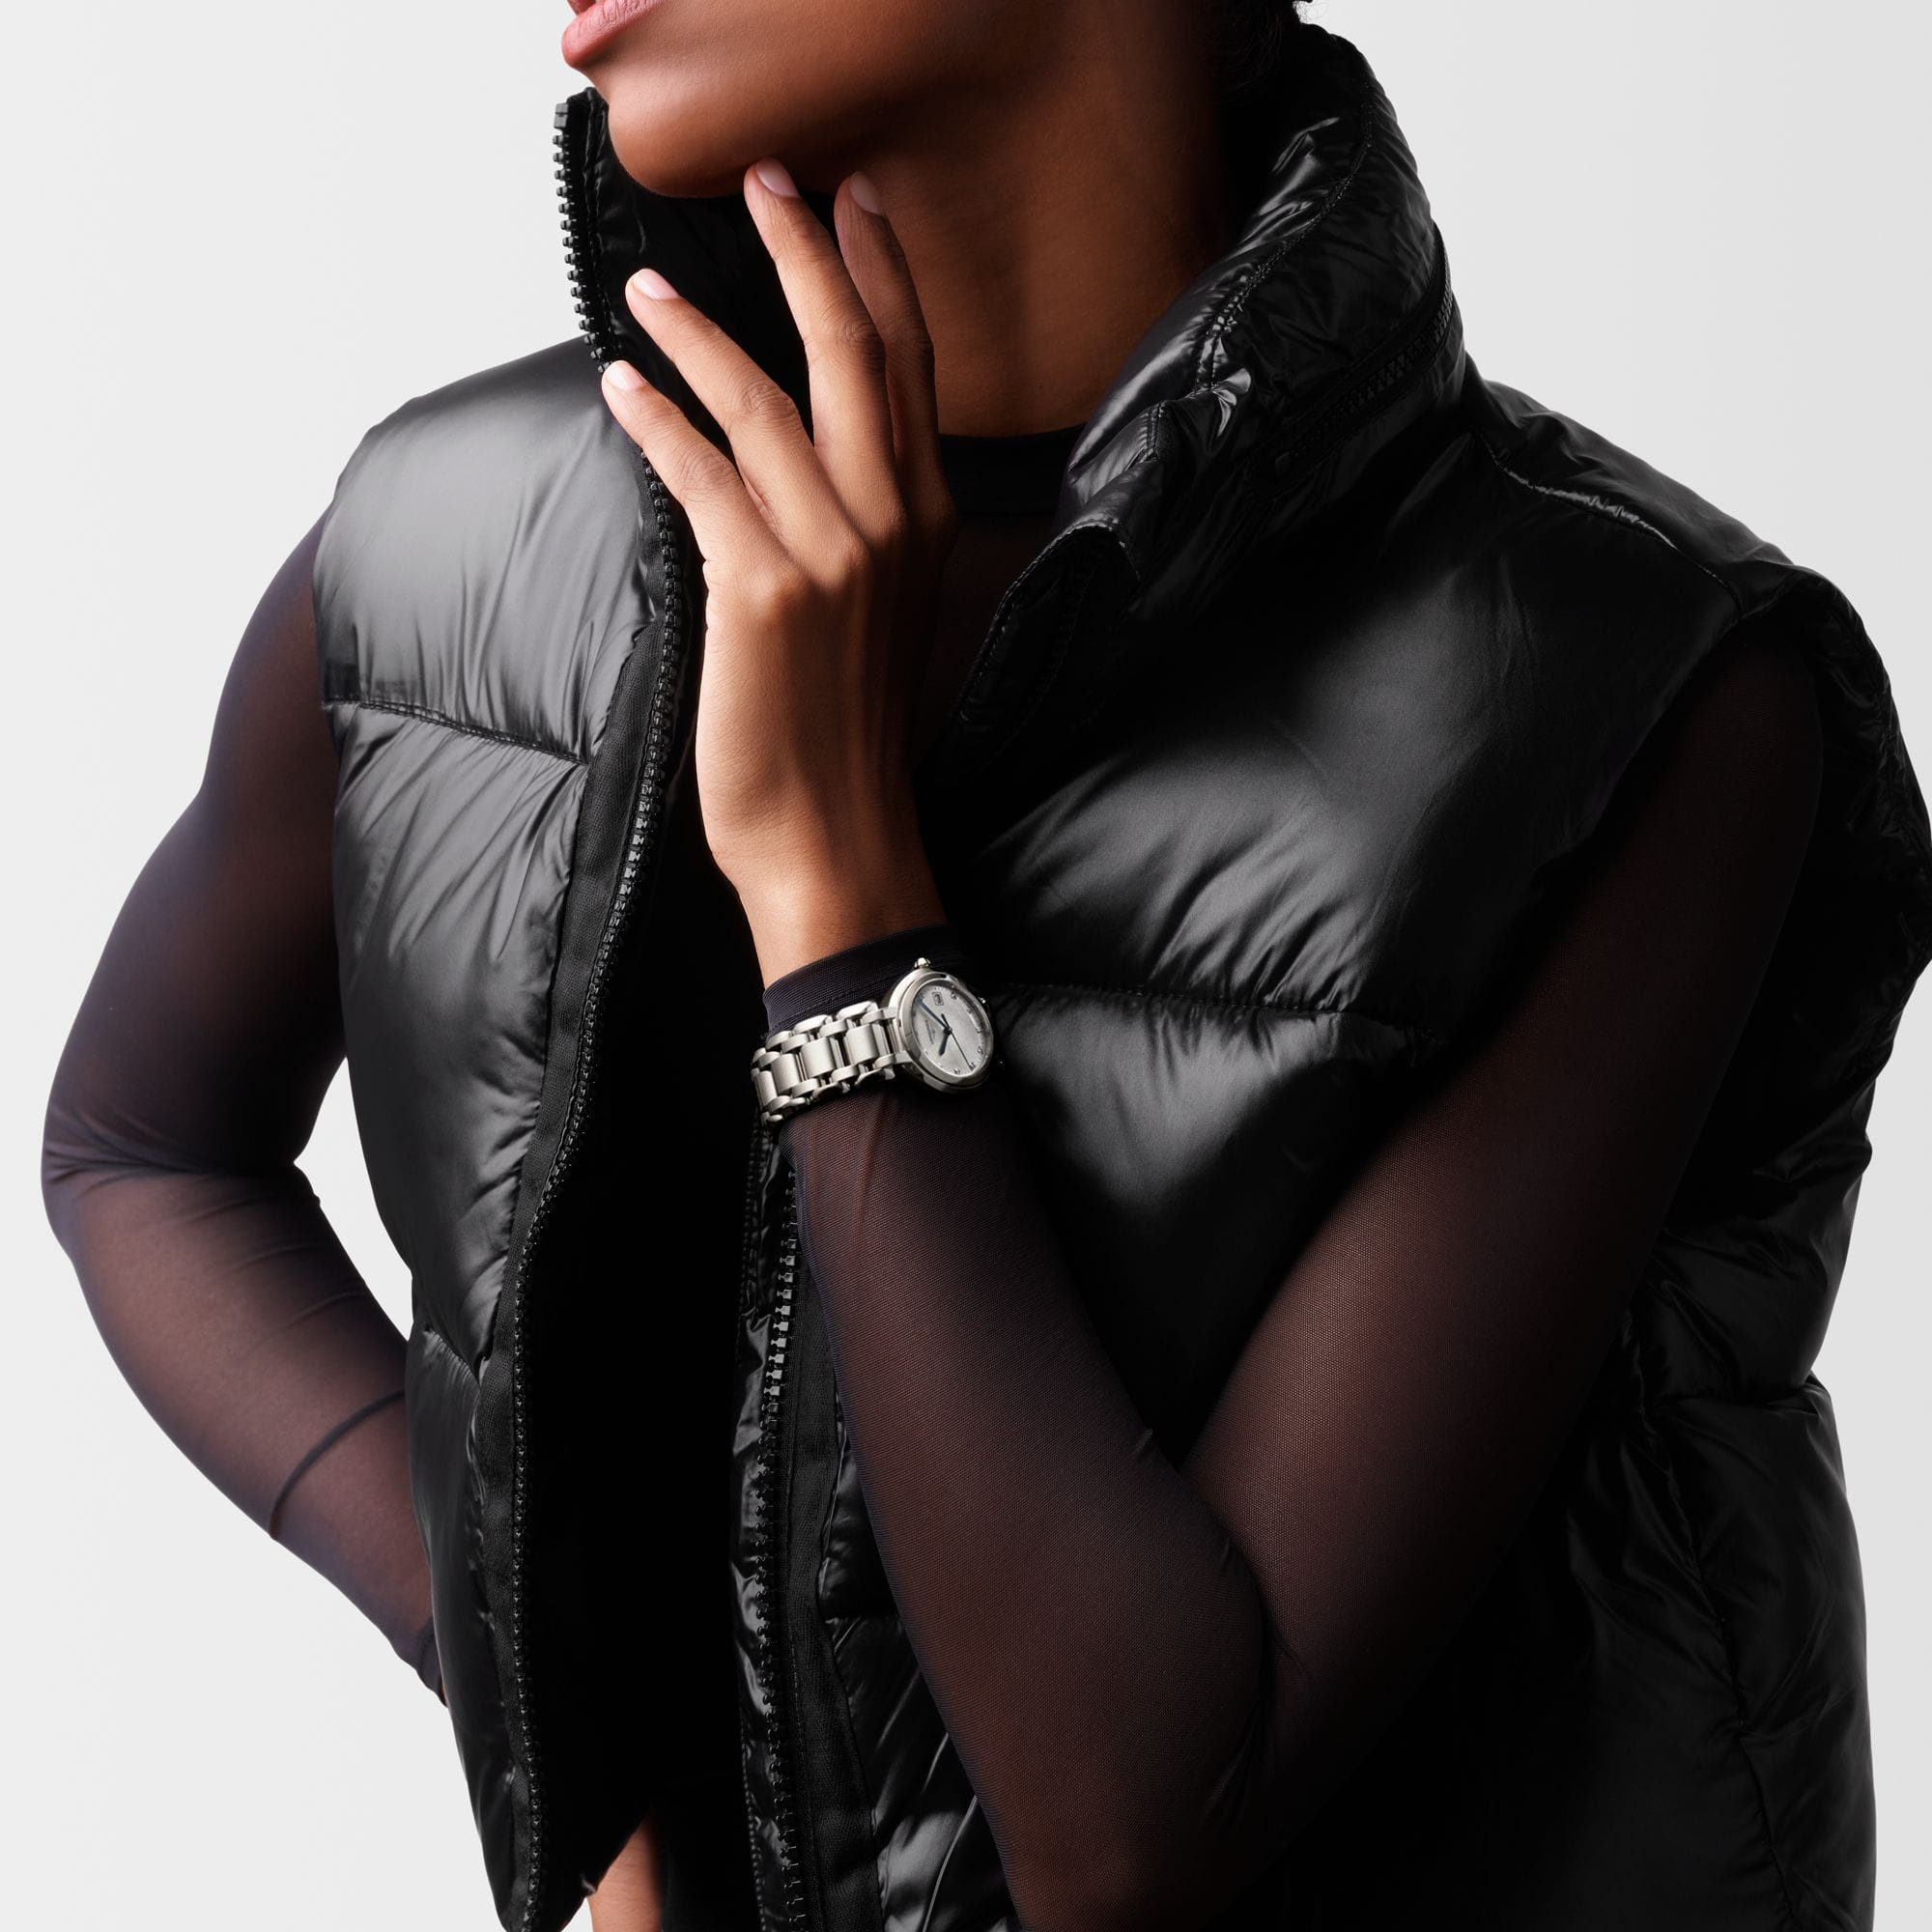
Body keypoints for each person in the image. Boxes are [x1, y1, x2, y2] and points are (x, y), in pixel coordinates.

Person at [39, 4, 1932, 1930]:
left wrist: (832, 876)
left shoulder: (1630, 693)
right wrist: (574, 1718)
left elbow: (1138, 1833)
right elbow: (140, 1149)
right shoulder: (449, 540)